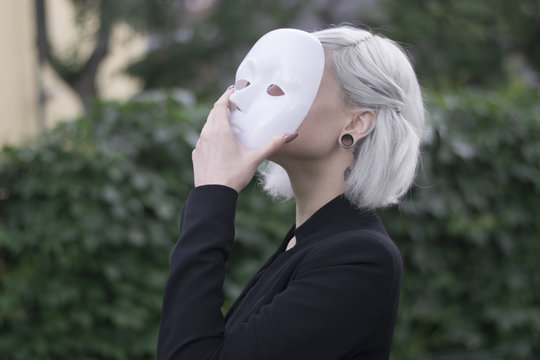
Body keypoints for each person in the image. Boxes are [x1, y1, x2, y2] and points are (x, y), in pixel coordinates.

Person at [157, 25, 424, 360]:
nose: (240, 98)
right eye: (246, 83)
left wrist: (214, 193)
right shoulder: (305, 242)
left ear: (355, 123)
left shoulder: (361, 259)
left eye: (277, 88)